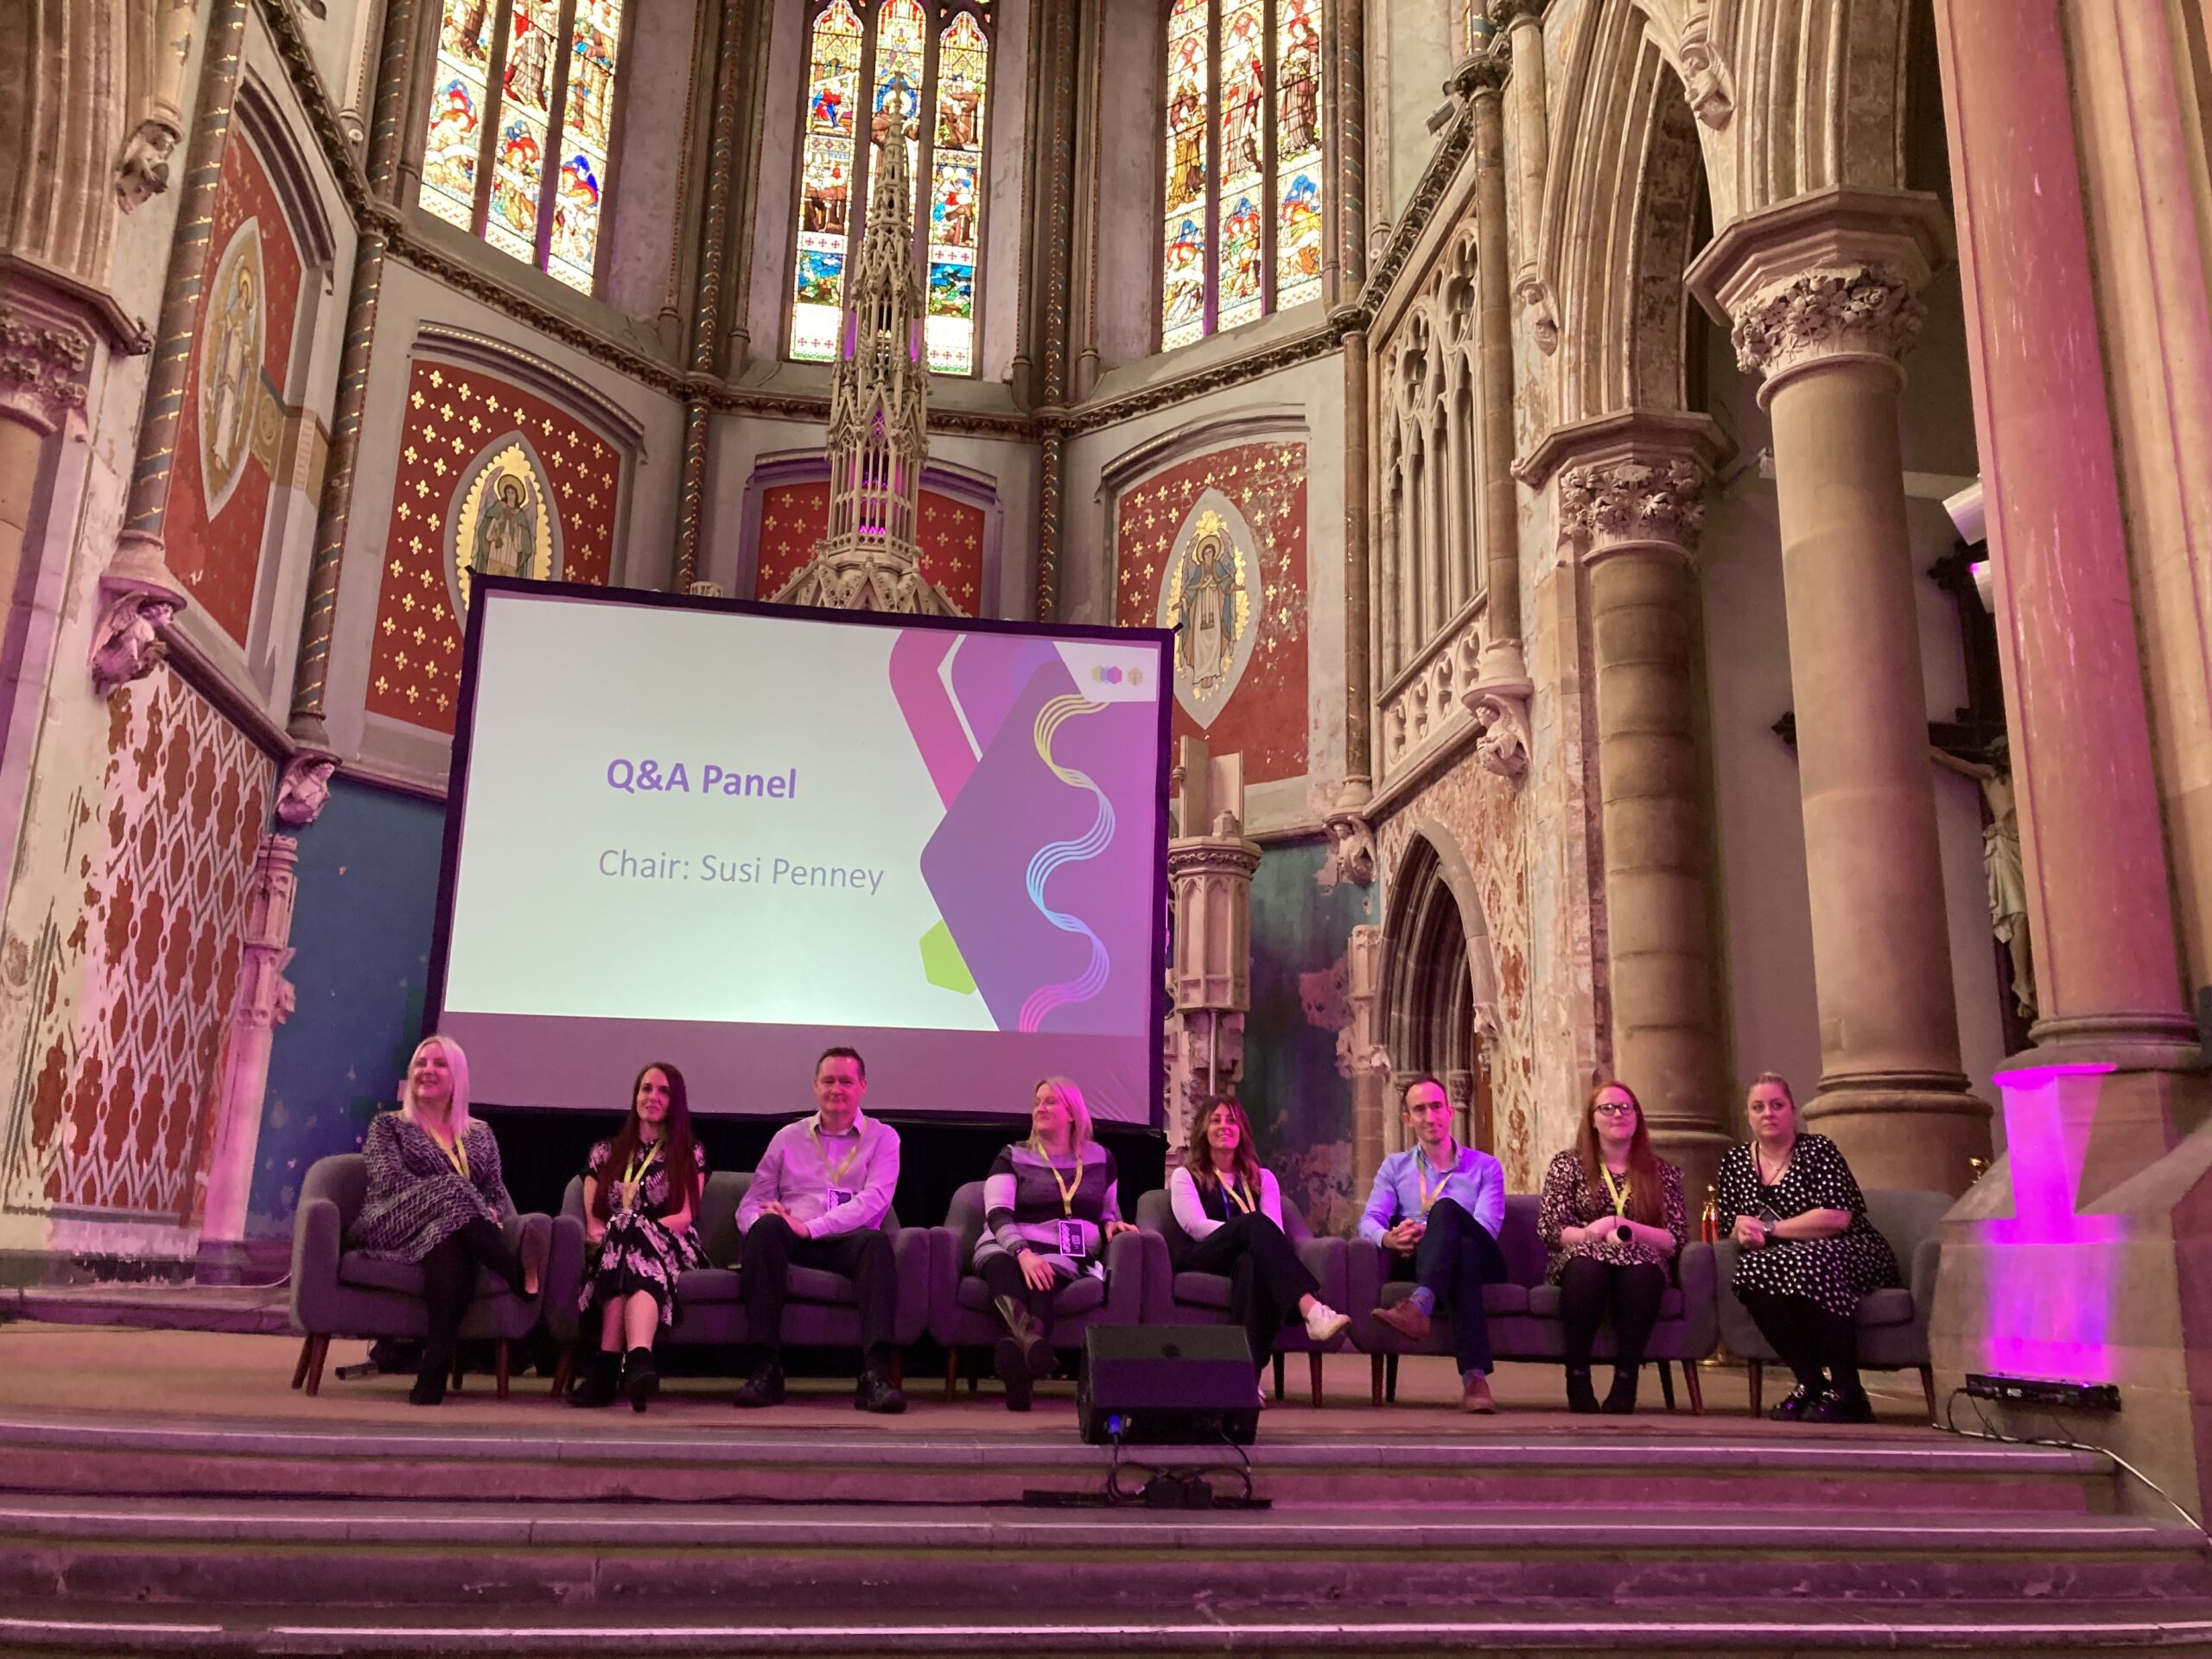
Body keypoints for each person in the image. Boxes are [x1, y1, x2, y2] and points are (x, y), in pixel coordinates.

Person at [352, 1035, 548, 1406]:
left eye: (439, 1064)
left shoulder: (480, 1134)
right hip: (391, 1220)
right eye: (421, 1063)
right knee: (454, 1189)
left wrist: (484, 1208)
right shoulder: (388, 1126)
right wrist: (471, 1204)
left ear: (457, 1077)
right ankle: (513, 1270)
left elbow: (494, 1191)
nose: (427, 1070)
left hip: (453, 1233)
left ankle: (434, 1367)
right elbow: (390, 1182)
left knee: (449, 1237)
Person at [1716, 1072, 1902, 1424]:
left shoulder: (1818, 1149)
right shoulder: (1735, 1162)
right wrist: (1743, 1233)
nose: (1768, 1113)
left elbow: (1837, 1218)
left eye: (1777, 1105)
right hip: (1782, 1259)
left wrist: (1770, 1229)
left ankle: (1848, 1390)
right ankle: (1810, 1381)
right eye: (1758, 1107)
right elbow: (1731, 1225)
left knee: (1811, 1259)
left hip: (1848, 1249)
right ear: (1748, 1115)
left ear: (1792, 1110)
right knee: (1750, 1269)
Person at [732, 1047, 906, 1414]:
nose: (836, 1089)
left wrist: (810, 1228)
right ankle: (765, 1370)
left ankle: (875, 1376)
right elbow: (750, 1203)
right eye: (828, 1081)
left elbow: (874, 1201)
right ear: (815, 1086)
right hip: (790, 1239)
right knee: (764, 1230)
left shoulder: (884, 1138)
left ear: (862, 1086)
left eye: (846, 1081)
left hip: (849, 1241)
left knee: (877, 1244)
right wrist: (762, 1220)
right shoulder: (787, 1137)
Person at [1167, 1096, 1351, 1402]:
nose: (1224, 1126)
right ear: (1203, 1129)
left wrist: (1249, 1236)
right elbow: (1194, 1225)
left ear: (1242, 1130)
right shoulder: (1185, 1176)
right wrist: (1242, 1231)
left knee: (1252, 1266)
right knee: (1254, 1224)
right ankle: (1310, 1307)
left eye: (1231, 1120)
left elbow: (1274, 1231)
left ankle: (1245, 1378)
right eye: (1216, 1120)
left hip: (1246, 1258)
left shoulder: (1262, 1178)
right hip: (1206, 1255)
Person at [974, 1077, 1135, 1412]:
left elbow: (1106, 1211)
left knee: (1044, 1281)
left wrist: (1111, 1225)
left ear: (1072, 1113)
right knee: (1004, 1267)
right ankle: (1034, 1350)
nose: (1040, 1108)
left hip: (1064, 1251)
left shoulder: (1101, 1158)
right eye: (1037, 1102)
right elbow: (997, 1213)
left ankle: (1020, 1367)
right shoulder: (1012, 1155)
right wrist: (1023, 1253)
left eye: (1049, 1102)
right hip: (1007, 1243)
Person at [1359, 1075, 1509, 1413]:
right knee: (1461, 1254)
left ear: (1450, 1111)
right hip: (1422, 1260)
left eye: (1437, 1106)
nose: (1430, 1117)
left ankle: (1419, 1305)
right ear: (1407, 1119)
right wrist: (1389, 1237)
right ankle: (1475, 1379)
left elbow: (1487, 1228)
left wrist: (1436, 1229)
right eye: (1420, 1109)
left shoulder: (1485, 1167)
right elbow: (1368, 1221)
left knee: (1449, 1214)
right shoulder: (1394, 1167)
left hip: (1485, 1258)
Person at [1537, 1081, 1688, 1414]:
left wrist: (1624, 1227)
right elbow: (1551, 1229)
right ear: (1592, 1120)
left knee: (1643, 1275)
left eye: (1625, 1107)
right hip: (1582, 1254)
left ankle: (1626, 1380)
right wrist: (1593, 1232)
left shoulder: (1662, 1172)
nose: (1617, 1114)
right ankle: (1578, 1376)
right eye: (1607, 1108)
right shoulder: (1568, 1164)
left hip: (1641, 1257)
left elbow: (1675, 1238)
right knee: (1587, 1270)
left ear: (1637, 1117)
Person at [569, 1062, 707, 1412]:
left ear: (676, 1102)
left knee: (628, 1229)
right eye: (646, 1088)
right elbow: (593, 1216)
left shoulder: (689, 1150)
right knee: (627, 1245)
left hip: (672, 1243)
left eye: (663, 1091)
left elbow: (685, 1216)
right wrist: (615, 1229)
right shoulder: (604, 1152)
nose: (653, 1097)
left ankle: (606, 1365)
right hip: (614, 1247)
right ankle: (640, 1359)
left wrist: (635, 1225)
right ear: (635, 1096)